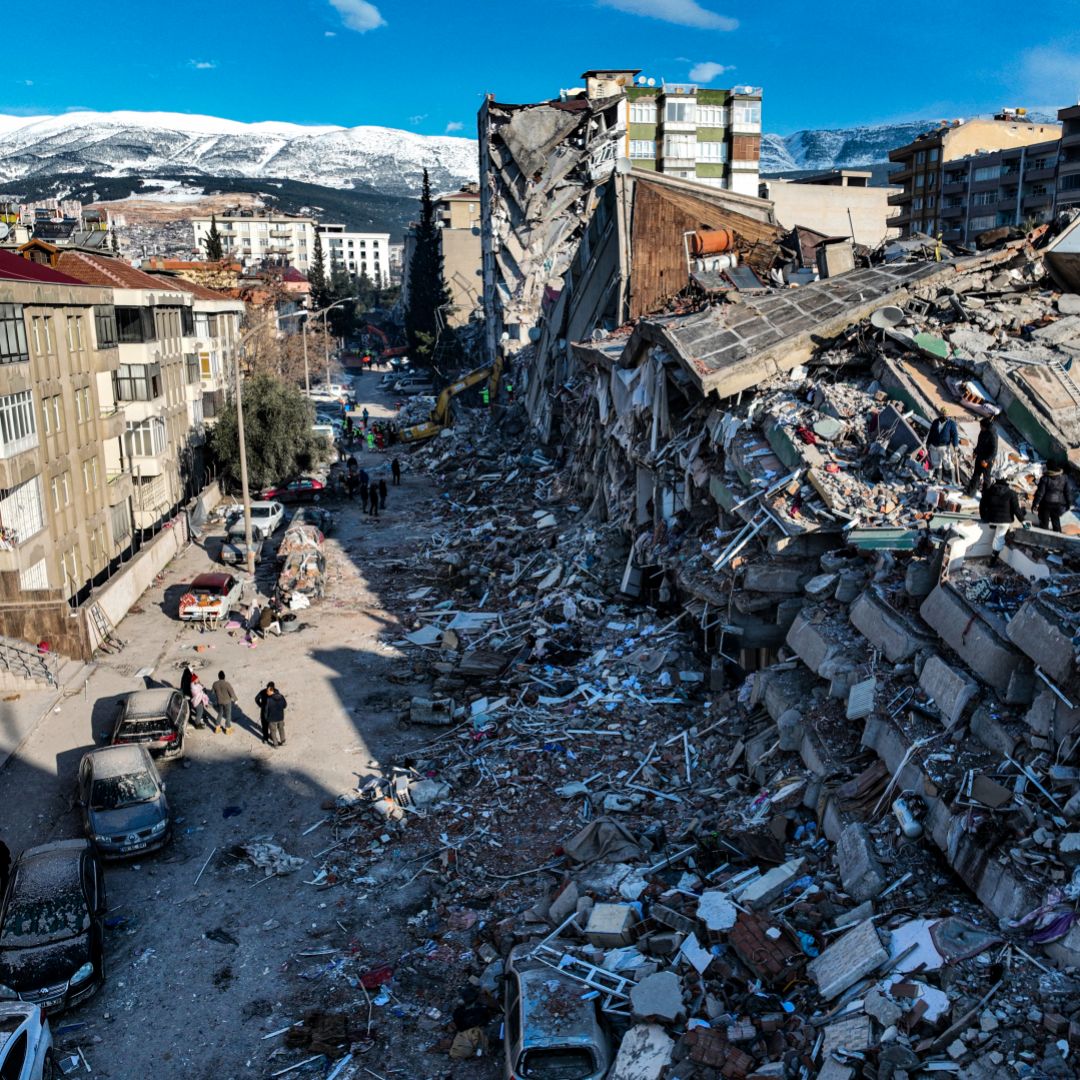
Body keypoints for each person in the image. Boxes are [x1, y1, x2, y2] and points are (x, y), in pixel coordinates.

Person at [1033, 465, 1073, 533]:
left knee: (1044, 522)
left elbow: (1040, 493)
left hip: (1046, 503)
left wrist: (1035, 503)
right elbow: (1067, 492)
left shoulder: (1045, 478)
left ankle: (1043, 536)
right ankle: (1058, 537)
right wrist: (1069, 502)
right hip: (1057, 503)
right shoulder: (1063, 478)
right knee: (1056, 521)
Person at [966, 416, 999, 495]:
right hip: (980, 456)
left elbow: (994, 451)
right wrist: (975, 451)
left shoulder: (993, 435)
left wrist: (987, 460)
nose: (980, 428)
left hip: (987, 461)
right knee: (976, 475)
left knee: (986, 478)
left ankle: (986, 496)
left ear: (986, 426)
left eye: (981, 426)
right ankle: (970, 493)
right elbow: (980, 444)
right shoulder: (982, 432)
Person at [926, 408, 959, 483]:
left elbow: (955, 435)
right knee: (936, 463)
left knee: (947, 463)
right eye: (942, 415)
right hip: (934, 446)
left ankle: (952, 479)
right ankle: (938, 479)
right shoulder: (935, 422)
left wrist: (955, 445)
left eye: (946, 415)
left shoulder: (951, 423)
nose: (944, 416)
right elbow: (931, 433)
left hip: (944, 447)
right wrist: (928, 442)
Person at [255, 682, 288, 747]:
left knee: (267, 727)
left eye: (268, 689)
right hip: (274, 713)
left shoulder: (266, 694)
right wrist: (261, 705)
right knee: (274, 727)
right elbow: (284, 704)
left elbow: (257, 699)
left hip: (267, 713)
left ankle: (267, 739)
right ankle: (270, 739)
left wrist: (261, 705)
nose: (267, 691)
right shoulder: (276, 692)